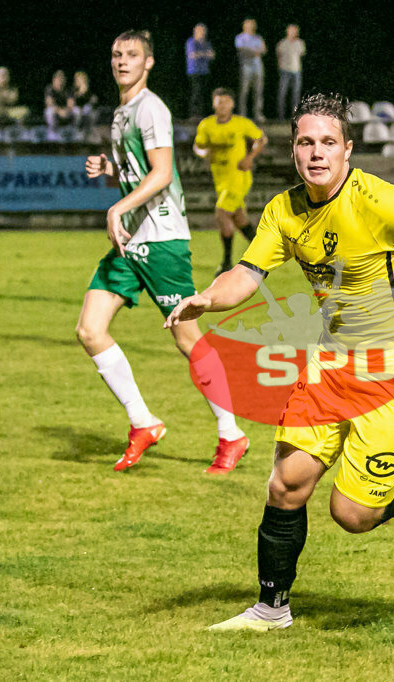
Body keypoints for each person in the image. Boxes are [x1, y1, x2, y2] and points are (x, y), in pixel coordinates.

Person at [163, 92, 394, 631]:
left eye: (328, 143)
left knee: (352, 516)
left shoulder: (380, 201)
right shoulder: (284, 210)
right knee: (285, 484)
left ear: (348, 150)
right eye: (305, 142)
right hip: (330, 366)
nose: (316, 153)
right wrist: (207, 297)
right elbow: (245, 275)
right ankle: (272, 609)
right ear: (293, 149)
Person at [79, 30, 247, 474]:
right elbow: (137, 175)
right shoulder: (122, 113)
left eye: (131, 55)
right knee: (90, 329)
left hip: (164, 240)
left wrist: (117, 205)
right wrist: (111, 171)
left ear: (148, 62)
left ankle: (232, 433)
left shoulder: (151, 108)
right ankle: (143, 422)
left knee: (187, 338)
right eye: (116, 54)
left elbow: (163, 172)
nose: (122, 61)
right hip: (131, 241)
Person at [193, 87, 268, 276]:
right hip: (220, 179)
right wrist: (204, 153)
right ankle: (264, 254)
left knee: (222, 213)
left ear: (232, 104)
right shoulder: (206, 125)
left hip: (239, 177)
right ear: (213, 104)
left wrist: (250, 157)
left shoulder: (241, 124)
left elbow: (261, 139)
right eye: (219, 102)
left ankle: (227, 262)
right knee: (238, 218)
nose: (222, 106)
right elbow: (198, 146)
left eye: (225, 102)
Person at [235, 19, 266, 121]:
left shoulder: (258, 37)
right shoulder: (240, 37)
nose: (249, 27)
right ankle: (242, 114)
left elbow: (264, 50)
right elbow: (241, 49)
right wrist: (254, 51)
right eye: (247, 25)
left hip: (258, 67)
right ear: (244, 26)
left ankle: (258, 113)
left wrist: (253, 50)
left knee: (258, 91)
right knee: (244, 91)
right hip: (246, 66)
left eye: (251, 25)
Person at [276, 24, 305, 119]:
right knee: (282, 93)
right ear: (287, 31)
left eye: (295, 30)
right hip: (285, 70)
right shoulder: (282, 43)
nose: (293, 32)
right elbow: (278, 56)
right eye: (291, 30)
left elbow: (302, 54)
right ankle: (281, 116)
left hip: (296, 70)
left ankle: (295, 116)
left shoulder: (300, 43)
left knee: (296, 94)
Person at [186, 24, 215, 119]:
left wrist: (202, 54)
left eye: (203, 31)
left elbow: (212, 55)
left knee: (204, 94)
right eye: (200, 31)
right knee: (196, 93)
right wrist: (205, 54)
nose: (202, 33)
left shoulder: (207, 43)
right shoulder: (191, 42)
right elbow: (193, 55)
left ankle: (202, 114)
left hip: (204, 71)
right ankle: (194, 114)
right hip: (194, 71)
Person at [44, 70, 80, 136]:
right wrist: (59, 111)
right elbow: (49, 104)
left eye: (61, 79)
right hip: (56, 110)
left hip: (66, 110)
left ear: (64, 80)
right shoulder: (50, 89)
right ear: (54, 80)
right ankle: (52, 133)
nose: (59, 82)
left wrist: (66, 110)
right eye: (57, 79)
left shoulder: (68, 89)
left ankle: (75, 131)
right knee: (49, 111)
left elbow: (71, 104)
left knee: (76, 110)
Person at [71, 71, 99, 136]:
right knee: (77, 111)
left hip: (86, 111)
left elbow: (94, 100)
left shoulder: (89, 90)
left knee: (88, 108)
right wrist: (81, 93)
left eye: (82, 79)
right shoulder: (73, 90)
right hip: (76, 111)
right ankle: (78, 131)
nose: (80, 81)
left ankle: (89, 131)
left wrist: (85, 92)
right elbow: (72, 102)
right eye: (79, 79)